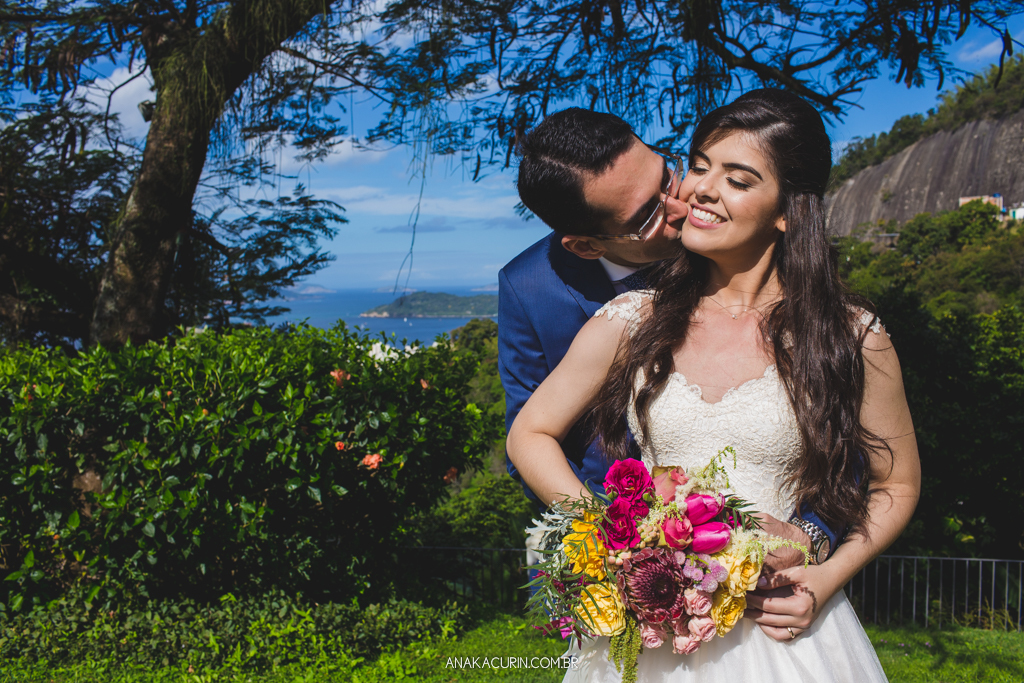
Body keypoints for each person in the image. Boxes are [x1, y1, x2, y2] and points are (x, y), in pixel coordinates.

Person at [506, 89, 920, 681]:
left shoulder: (853, 336)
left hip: (781, 631)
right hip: (652, 626)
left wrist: (826, 572)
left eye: (738, 179)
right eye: (700, 166)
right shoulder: (632, 319)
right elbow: (530, 432)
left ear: (787, 211)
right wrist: (613, 536)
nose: (696, 191)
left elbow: (896, 482)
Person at [499, 108, 842, 574]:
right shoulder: (529, 288)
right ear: (586, 246)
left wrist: (813, 533)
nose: (683, 207)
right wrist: (618, 539)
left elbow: (844, 423)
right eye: (648, 216)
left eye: (668, 176)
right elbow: (529, 438)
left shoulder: (738, 242)